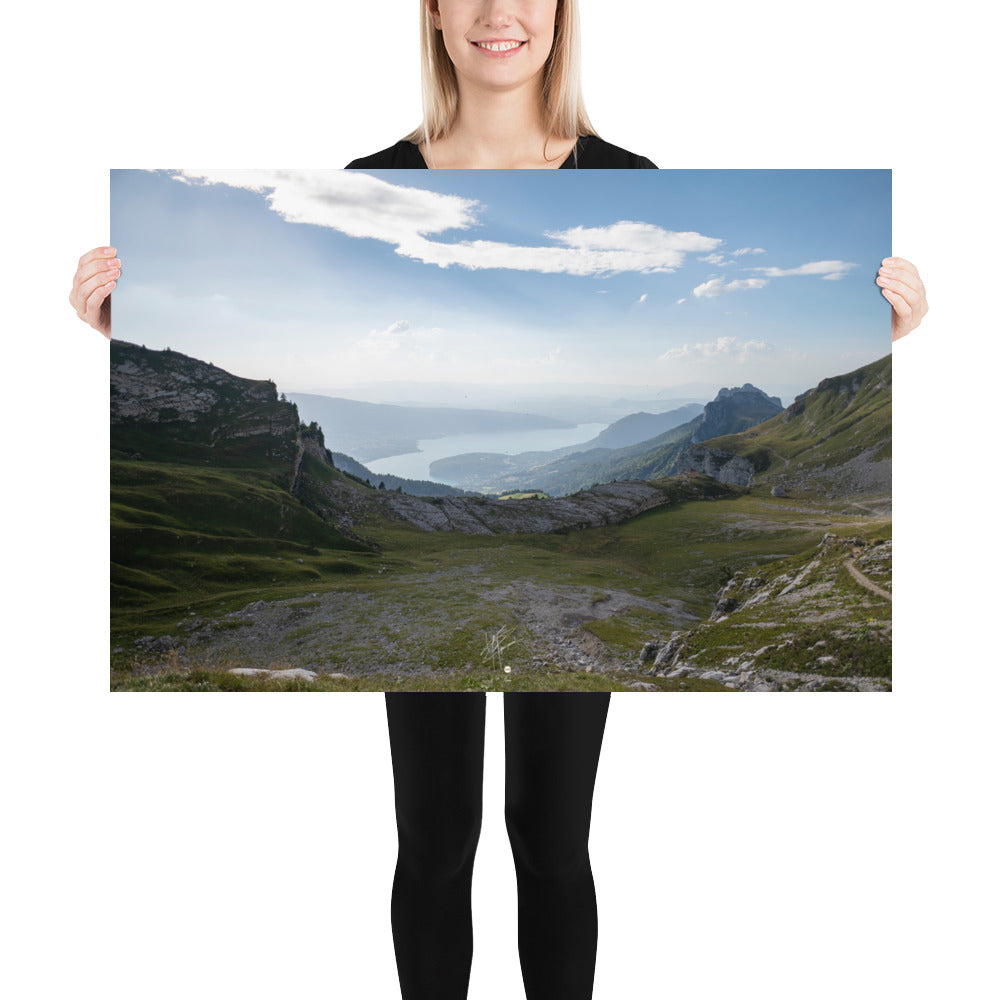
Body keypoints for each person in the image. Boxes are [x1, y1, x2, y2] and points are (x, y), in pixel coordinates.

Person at [70, 3, 928, 998]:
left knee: (552, 838)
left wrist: (885, 339)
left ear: (563, 14)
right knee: (436, 840)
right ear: (430, 14)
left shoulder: (628, 181)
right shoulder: (366, 181)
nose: (496, 13)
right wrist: (121, 331)